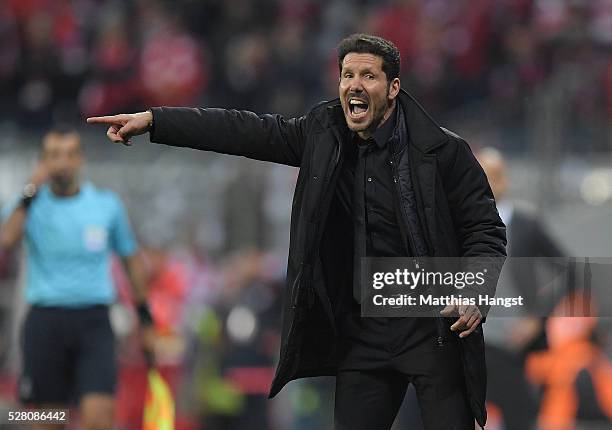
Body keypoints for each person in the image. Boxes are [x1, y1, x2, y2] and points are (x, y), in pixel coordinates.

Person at [87, 34, 506, 430]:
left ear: (393, 87)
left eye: (367, 76)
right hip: (365, 333)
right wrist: (156, 122)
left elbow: (486, 228)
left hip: (432, 327)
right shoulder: (322, 134)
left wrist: (475, 288)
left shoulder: (443, 151)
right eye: (347, 75)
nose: (354, 85)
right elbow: (242, 130)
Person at [0, 125, 154, 430]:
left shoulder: (105, 205)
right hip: (46, 321)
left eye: (69, 154)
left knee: (99, 418)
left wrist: (144, 316)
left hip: (93, 322)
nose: (62, 162)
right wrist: (32, 187)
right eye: (54, 155)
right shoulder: (28, 205)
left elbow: (131, 260)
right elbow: (7, 240)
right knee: (47, 420)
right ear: (42, 161)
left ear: (80, 160)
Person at [476, 147, 567, 430]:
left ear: (504, 180)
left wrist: (537, 318)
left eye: (494, 176)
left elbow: (569, 272)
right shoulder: (452, 225)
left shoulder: (525, 225)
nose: (487, 184)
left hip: (510, 347)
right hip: (466, 344)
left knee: (520, 418)